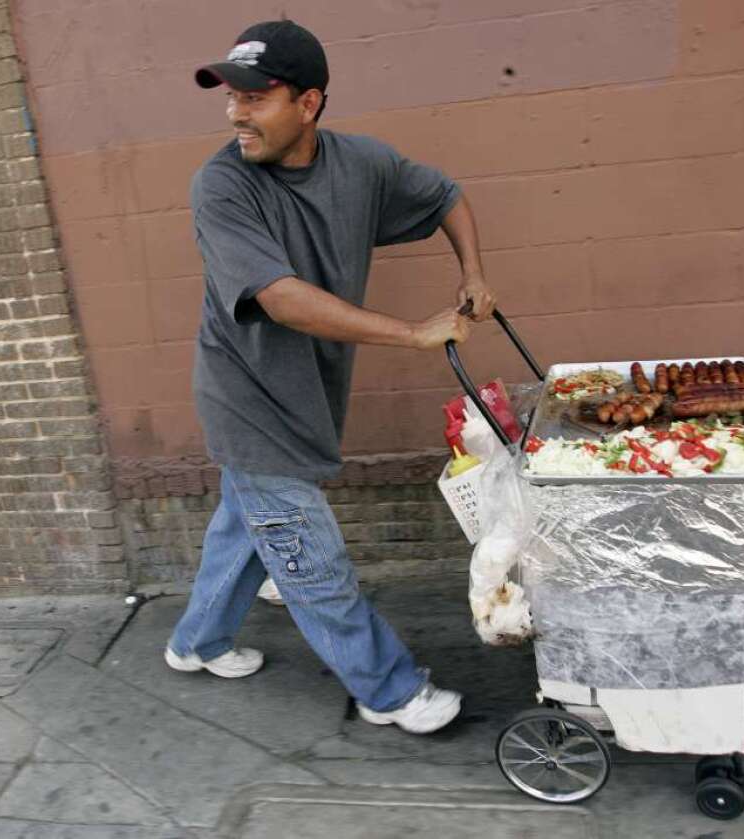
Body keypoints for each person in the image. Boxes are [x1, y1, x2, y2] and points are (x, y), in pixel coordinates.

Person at [164, 20, 496, 735]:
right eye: (230, 96)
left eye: (256, 96)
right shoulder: (221, 187)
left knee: (243, 526)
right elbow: (280, 297)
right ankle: (389, 688)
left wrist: (472, 272)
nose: (235, 112)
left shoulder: (361, 165)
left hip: (307, 389)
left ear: (309, 103)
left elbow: (445, 195)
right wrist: (411, 332)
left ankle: (196, 640)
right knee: (306, 557)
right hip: (244, 393)